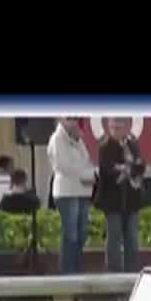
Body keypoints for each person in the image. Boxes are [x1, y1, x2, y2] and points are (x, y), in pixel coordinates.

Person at [96, 117, 146, 272]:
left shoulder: (133, 145)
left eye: (119, 126)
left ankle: (131, 274)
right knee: (114, 239)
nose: (116, 129)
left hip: (131, 200)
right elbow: (108, 169)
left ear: (127, 127)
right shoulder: (105, 147)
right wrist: (126, 168)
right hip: (113, 201)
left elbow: (140, 166)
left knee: (131, 238)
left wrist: (126, 168)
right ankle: (113, 274)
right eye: (113, 126)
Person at [47, 117, 97, 274]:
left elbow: (86, 161)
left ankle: (75, 268)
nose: (73, 122)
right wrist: (84, 172)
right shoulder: (57, 139)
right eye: (69, 119)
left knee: (82, 233)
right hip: (66, 192)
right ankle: (67, 271)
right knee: (71, 234)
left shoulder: (78, 140)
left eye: (75, 119)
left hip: (82, 191)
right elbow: (63, 165)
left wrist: (77, 140)